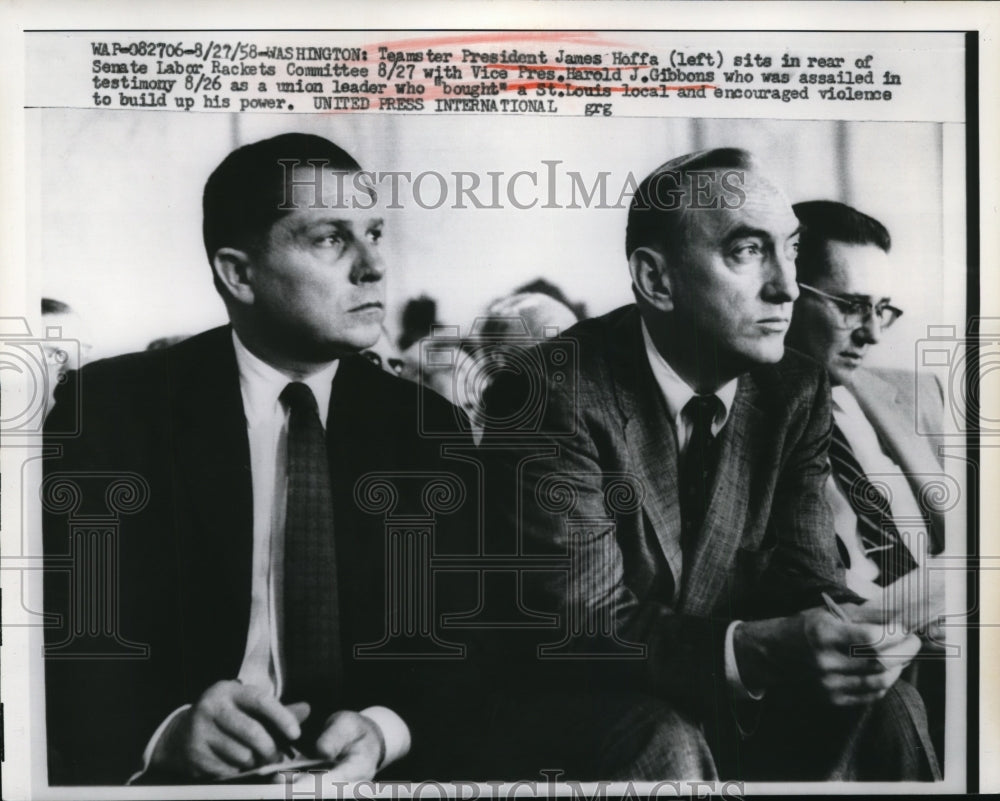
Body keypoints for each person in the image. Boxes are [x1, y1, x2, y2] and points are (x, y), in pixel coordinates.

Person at [481, 148, 939, 781]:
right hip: (581, 694)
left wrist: (849, 636)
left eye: (792, 251)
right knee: (661, 739)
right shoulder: (551, 392)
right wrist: (747, 649)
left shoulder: (793, 389)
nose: (784, 286)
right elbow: (583, 626)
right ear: (656, 280)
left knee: (890, 703)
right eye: (748, 252)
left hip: (727, 691)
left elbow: (805, 578)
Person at [42, 133, 474, 785]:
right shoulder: (115, 411)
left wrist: (385, 729)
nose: (374, 266)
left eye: (375, 233)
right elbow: (69, 637)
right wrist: (164, 732)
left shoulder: (424, 427)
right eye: (330, 238)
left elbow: (468, 644)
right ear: (238, 273)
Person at [785, 199, 949, 757]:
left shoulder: (917, 395)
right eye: (851, 306)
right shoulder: (737, 422)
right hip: (855, 678)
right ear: (785, 292)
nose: (873, 334)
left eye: (883, 309)